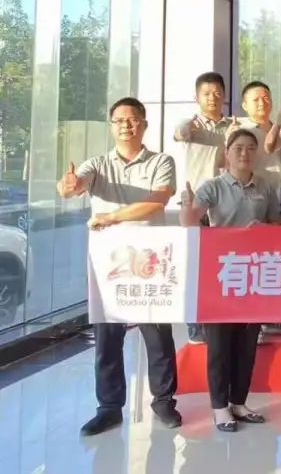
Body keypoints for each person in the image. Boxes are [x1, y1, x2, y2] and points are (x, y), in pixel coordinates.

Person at [58, 96, 181, 436]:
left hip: (149, 259)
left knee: (158, 334)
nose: (126, 125)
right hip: (109, 261)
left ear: (144, 123)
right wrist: (68, 186)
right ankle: (109, 408)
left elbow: (157, 201)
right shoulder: (97, 164)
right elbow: (73, 186)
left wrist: (111, 216)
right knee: (107, 336)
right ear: (111, 125)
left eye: (133, 119)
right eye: (119, 120)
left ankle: (163, 401)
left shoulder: (161, 161)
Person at [179, 129, 281, 432]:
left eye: (250, 148)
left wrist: (264, 229)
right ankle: (219, 407)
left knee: (247, 344)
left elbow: (278, 225)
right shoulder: (213, 186)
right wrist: (187, 206)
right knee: (220, 345)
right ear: (227, 152)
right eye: (238, 148)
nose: (244, 153)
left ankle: (239, 401)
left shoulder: (266, 186)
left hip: (254, 275)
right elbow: (190, 223)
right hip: (221, 275)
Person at [174, 71, 231, 343]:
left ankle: (223, 321)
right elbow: (180, 133)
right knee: (194, 267)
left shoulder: (233, 126)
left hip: (226, 202)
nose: (213, 98)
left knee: (224, 266)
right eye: (206, 93)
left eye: (217, 92)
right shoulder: (192, 124)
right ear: (196, 97)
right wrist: (186, 129)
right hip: (195, 204)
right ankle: (196, 328)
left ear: (225, 95)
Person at [231, 81, 281, 188]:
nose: (262, 103)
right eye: (256, 100)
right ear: (245, 106)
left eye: (266, 98)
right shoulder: (240, 131)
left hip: (279, 189)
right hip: (251, 189)